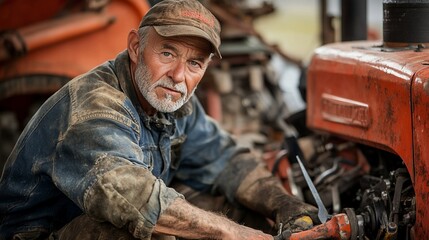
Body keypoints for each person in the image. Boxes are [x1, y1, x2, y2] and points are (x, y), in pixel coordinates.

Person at [0, 0, 319, 239]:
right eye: (167, 54)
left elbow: (226, 162)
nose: (179, 76)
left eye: (194, 63)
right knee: (150, 228)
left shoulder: (177, 106)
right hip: (38, 235)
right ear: (136, 47)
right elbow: (136, 200)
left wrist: (284, 205)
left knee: (229, 206)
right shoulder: (96, 105)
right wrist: (234, 233)